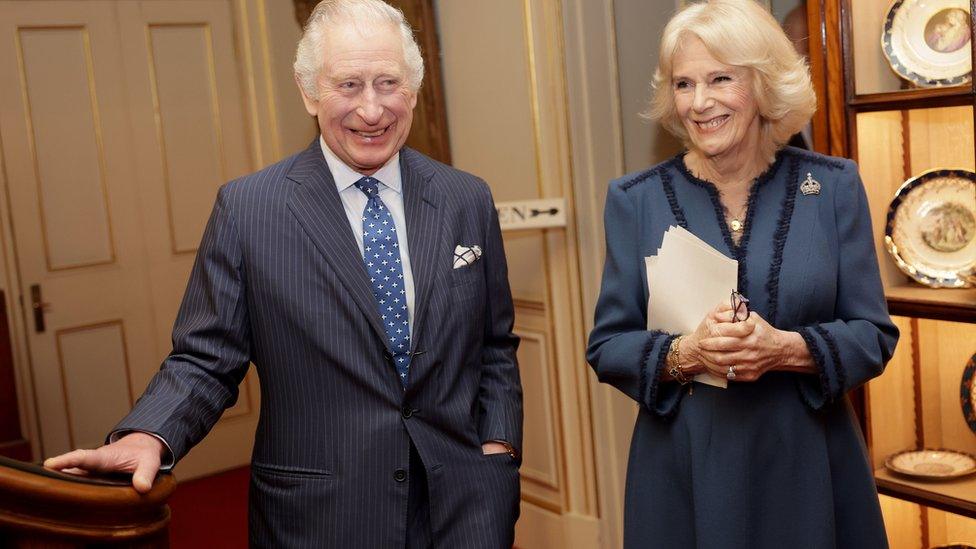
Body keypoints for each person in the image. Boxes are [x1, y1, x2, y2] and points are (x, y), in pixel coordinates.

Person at [44, 0, 523, 546]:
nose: (372, 110)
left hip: (462, 511)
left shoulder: (466, 199)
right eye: (347, 85)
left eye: (389, 82)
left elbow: (492, 346)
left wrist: (498, 452)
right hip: (319, 518)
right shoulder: (249, 210)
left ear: (413, 88)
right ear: (308, 91)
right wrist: (151, 433)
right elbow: (205, 357)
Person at [586, 1, 898, 547]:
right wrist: (689, 353)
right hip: (684, 469)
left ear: (763, 84)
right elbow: (608, 345)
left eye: (720, 79)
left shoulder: (833, 187)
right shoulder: (634, 201)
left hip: (809, 466)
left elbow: (874, 335)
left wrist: (783, 348)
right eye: (684, 84)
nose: (700, 102)